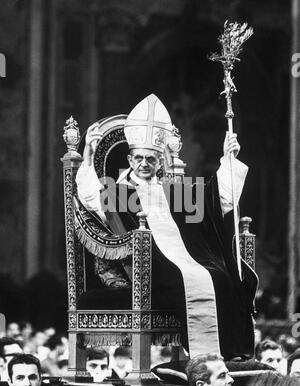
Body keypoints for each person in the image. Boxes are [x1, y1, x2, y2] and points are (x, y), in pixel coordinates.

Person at [76, 94, 258, 361]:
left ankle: (233, 356)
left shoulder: (176, 191)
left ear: (160, 159)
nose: (144, 164)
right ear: (129, 158)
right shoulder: (116, 192)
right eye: (138, 158)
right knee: (188, 280)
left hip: (190, 259)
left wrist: (228, 159)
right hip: (149, 264)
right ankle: (206, 360)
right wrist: (88, 157)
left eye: (151, 159)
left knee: (222, 277)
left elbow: (216, 199)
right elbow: (90, 200)